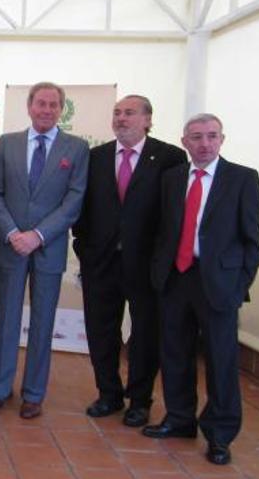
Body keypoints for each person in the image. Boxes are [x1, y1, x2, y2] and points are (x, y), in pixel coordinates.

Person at [143, 113, 259, 466]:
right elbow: (164, 230)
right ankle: (180, 419)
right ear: (185, 142)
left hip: (219, 284)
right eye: (196, 137)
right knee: (175, 353)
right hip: (176, 278)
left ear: (222, 139)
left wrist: (239, 283)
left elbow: (252, 239)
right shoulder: (172, 178)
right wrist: (158, 273)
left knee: (221, 361)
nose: (204, 143)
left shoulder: (242, 179)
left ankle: (220, 434)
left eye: (211, 136)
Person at [73, 95, 186, 427]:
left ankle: (139, 401)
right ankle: (108, 394)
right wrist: (85, 248)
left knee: (145, 333)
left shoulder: (170, 158)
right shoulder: (96, 157)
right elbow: (83, 208)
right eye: (117, 113)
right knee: (101, 330)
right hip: (101, 262)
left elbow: (174, 216)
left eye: (130, 113)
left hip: (147, 265)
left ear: (148, 120)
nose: (121, 118)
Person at [0, 81, 89, 419]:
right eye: (40, 103)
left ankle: (33, 394)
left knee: (43, 323)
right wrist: (14, 233)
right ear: (29, 106)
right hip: (11, 247)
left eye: (53, 104)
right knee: (6, 321)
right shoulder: (8, 144)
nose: (46, 109)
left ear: (61, 109)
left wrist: (38, 235)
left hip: (48, 249)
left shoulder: (76, 148)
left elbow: (74, 200)